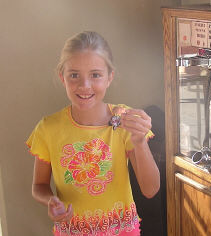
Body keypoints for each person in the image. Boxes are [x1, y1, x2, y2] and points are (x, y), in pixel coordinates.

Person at [26, 31, 160, 236]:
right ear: (62, 77)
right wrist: (51, 200)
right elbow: (39, 185)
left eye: (95, 75)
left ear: (109, 78)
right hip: (72, 231)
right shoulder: (48, 128)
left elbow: (150, 190)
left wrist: (140, 141)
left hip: (121, 230)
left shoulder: (125, 122)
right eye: (74, 75)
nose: (84, 85)